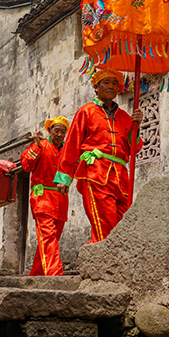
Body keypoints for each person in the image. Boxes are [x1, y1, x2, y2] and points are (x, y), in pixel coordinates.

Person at [54, 69, 142, 243]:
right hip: (96, 173)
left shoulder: (125, 117)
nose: (111, 86)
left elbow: (134, 148)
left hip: (121, 177)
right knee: (105, 225)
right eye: (106, 82)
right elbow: (72, 144)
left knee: (125, 225)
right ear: (96, 87)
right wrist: (64, 178)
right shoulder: (86, 111)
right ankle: (107, 258)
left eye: (114, 83)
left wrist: (136, 126)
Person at [20, 116, 70, 275]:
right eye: (56, 130)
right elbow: (26, 166)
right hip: (42, 198)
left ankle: (36, 275)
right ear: (49, 131)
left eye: (63, 132)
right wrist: (36, 146)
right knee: (48, 236)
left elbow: (74, 168)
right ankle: (55, 274)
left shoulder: (67, 150)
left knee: (51, 239)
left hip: (61, 200)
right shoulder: (40, 145)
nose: (59, 134)